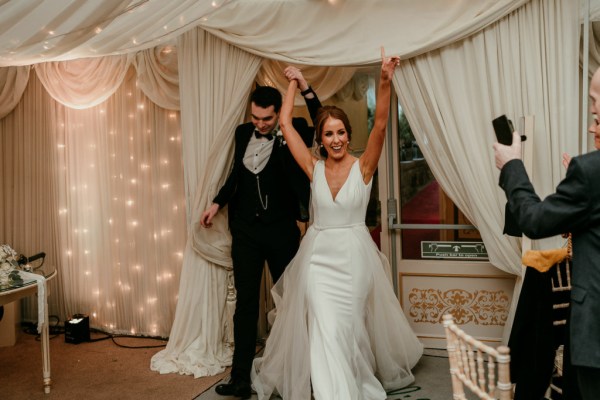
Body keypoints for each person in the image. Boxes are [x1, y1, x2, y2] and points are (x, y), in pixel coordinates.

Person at [251, 50, 423, 400]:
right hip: (317, 261)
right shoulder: (313, 168)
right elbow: (285, 125)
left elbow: (379, 125)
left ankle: (351, 384)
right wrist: (292, 85)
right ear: (321, 139)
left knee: (346, 331)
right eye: (328, 134)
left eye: (341, 132)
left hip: (354, 260)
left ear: (348, 134)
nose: (336, 139)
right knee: (324, 329)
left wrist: (386, 79)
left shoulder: (364, 168)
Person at [200, 67, 322, 399]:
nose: (260, 124)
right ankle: (240, 378)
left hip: (283, 230)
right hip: (246, 231)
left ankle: (297, 372)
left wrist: (306, 88)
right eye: (256, 117)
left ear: (277, 113)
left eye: (266, 119)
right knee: (246, 305)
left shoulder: (293, 128)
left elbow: (324, 121)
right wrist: (216, 203)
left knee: (291, 302)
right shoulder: (242, 133)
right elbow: (235, 175)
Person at [493, 66, 600, 400]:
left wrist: (512, 165)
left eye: (596, 110)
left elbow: (534, 219)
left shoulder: (591, 171)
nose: (590, 123)